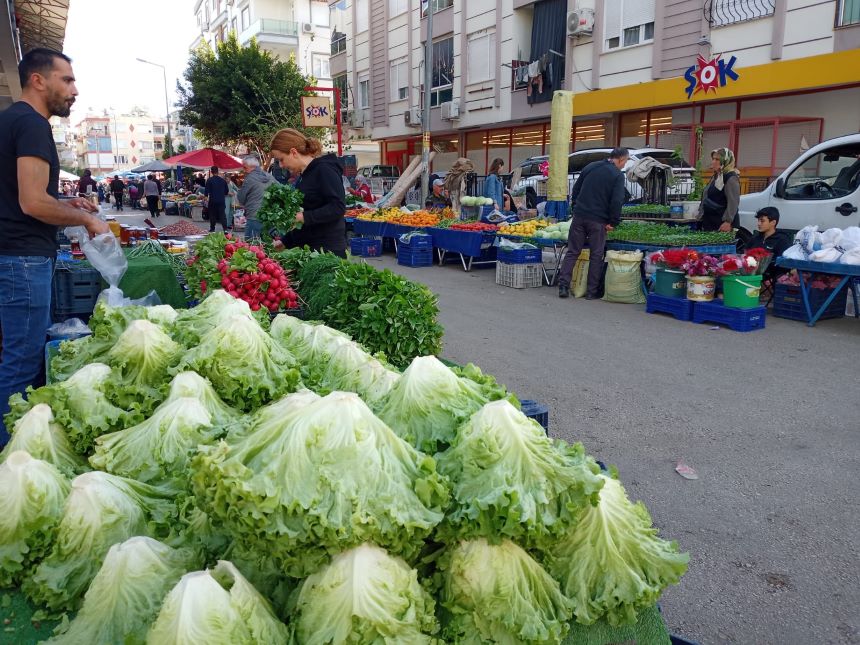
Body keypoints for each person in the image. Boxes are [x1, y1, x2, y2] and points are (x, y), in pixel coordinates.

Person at [0, 48, 109, 446]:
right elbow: (31, 203)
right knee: (21, 362)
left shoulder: (10, 120)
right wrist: (86, 218)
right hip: (21, 260)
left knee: (15, 357)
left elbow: (18, 197)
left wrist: (68, 205)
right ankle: (11, 455)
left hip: (13, 255)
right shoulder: (31, 125)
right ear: (38, 80)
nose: (75, 90)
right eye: (67, 80)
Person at [557, 147, 629, 300]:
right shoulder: (617, 175)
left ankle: (563, 285)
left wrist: (576, 207)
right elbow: (616, 201)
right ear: (621, 159)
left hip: (579, 216)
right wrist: (613, 222)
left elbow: (576, 189)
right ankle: (591, 291)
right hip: (598, 221)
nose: (624, 165)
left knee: (572, 251)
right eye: (626, 161)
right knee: (596, 255)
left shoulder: (590, 167)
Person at [268, 128, 347, 257]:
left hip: (328, 252)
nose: (281, 165)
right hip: (312, 249)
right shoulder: (304, 176)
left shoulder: (324, 169)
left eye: (281, 159)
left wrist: (303, 216)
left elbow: (338, 207)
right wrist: (285, 241)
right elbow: (309, 222)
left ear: (293, 152)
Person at [699, 147, 740, 232]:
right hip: (711, 222)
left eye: (717, 159)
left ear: (725, 161)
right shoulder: (717, 176)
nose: (713, 162)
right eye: (713, 159)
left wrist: (728, 221)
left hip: (722, 225)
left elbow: (733, 202)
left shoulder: (730, 178)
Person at [236, 155, 275, 239]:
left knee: (251, 247)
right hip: (269, 217)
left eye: (245, 168)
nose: (244, 170)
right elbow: (281, 191)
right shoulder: (270, 177)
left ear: (251, 167)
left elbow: (241, 198)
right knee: (269, 247)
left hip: (254, 217)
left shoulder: (249, 178)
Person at [204, 165, 229, 233]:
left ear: (211, 172)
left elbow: (206, 191)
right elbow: (226, 191)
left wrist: (206, 197)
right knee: (222, 215)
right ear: (218, 172)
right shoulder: (223, 181)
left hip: (213, 200)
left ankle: (212, 229)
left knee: (212, 214)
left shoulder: (209, 180)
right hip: (221, 200)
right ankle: (225, 229)